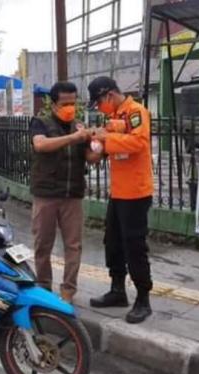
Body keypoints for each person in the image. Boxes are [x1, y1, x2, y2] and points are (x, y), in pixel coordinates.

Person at [87, 76, 155, 324]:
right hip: (118, 192)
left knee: (134, 246)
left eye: (98, 103)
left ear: (108, 96)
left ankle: (143, 298)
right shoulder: (114, 115)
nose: (99, 108)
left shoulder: (137, 112)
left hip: (136, 192)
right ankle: (117, 290)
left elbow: (138, 142)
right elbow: (104, 146)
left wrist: (105, 139)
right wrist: (93, 140)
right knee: (112, 241)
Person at [29, 81, 99, 304]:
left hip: (72, 195)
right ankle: (43, 288)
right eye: (65, 103)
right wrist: (73, 138)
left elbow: (91, 158)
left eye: (73, 102)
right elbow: (40, 145)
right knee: (42, 244)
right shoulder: (40, 123)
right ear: (54, 104)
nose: (70, 107)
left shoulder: (79, 126)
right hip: (46, 195)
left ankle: (68, 292)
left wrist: (99, 145)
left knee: (73, 246)